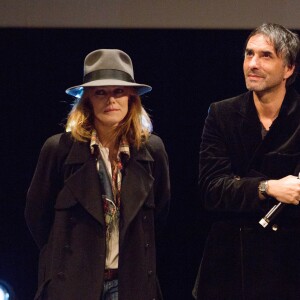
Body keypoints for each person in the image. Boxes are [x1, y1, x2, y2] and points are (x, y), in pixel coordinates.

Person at [25, 49, 170, 300]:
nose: (110, 100)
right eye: (100, 92)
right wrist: (61, 264)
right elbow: (37, 216)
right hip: (72, 283)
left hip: (130, 284)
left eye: (118, 91)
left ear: (132, 98)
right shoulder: (59, 149)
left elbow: (161, 218)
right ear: (88, 99)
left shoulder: (152, 150)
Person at [193, 23, 300, 300]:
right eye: (248, 54)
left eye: (266, 56)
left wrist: (240, 185)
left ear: (289, 69)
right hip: (229, 268)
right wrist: (268, 187)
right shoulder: (222, 114)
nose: (253, 63)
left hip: (288, 266)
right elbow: (212, 189)